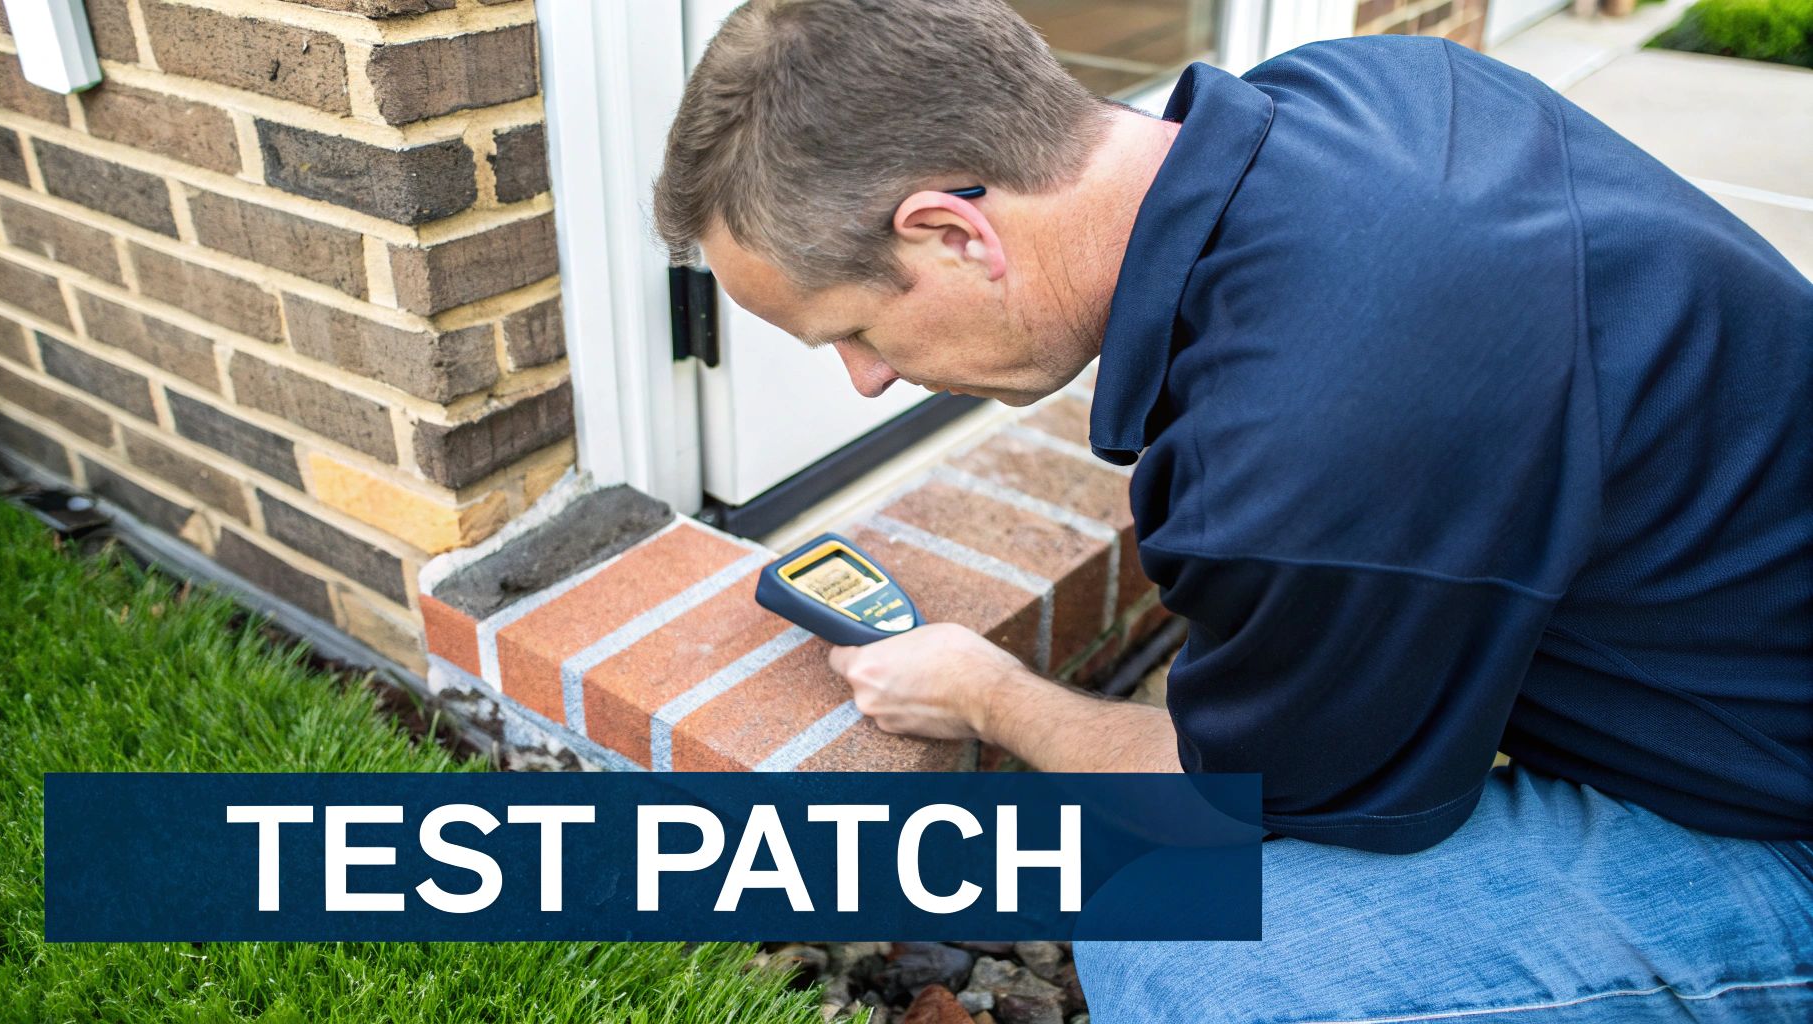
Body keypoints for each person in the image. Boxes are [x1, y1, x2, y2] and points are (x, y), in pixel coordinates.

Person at [652, 1, 1813, 1019]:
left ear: (953, 234)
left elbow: (1230, 805)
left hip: (1782, 831)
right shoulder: (1366, 86)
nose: (865, 381)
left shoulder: (1304, 444)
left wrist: (989, 695)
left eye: (851, 329)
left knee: (1178, 929)